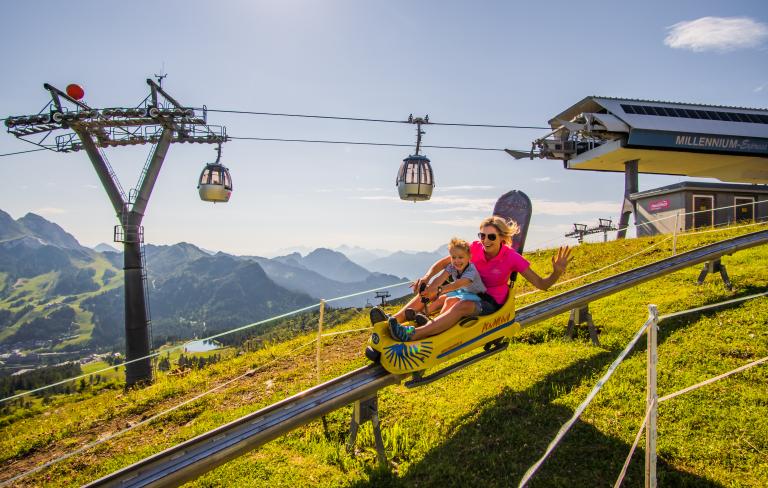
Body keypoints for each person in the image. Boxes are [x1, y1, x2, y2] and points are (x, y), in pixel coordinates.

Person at [376, 216, 570, 342]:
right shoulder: (475, 247)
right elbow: (445, 262)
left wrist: (556, 273)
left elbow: (542, 285)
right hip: (468, 291)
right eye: (482, 235)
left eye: (491, 237)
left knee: (461, 306)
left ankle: (412, 334)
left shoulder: (512, 258)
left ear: (502, 238)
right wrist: (427, 278)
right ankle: (392, 320)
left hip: (490, 301)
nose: (485, 240)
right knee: (435, 294)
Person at [388, 237, 486, 340]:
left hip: (477, 296)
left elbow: (456, 285)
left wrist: (438, 290)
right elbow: (440, 279)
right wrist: (428, 290)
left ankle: (433, 327)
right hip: (463, 292)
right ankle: (429, 321)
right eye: (453, 257)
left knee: (451, 300)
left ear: (469, 257)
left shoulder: (471, 270)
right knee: (444, 299)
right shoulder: (453, 266)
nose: (457, 261)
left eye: (460, 257)